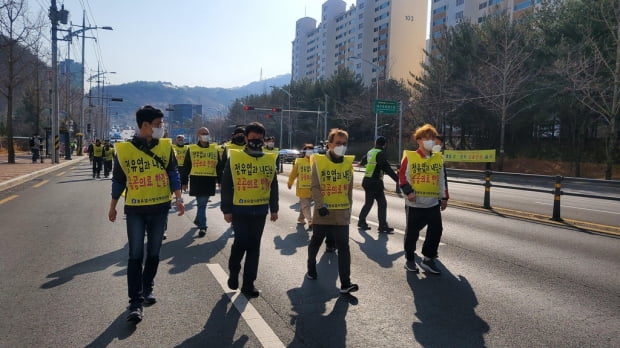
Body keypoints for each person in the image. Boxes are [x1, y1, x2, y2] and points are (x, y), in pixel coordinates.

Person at [108, 105, 185, 323]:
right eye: (158, 125)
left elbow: (173, 173)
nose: (162, 128)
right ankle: (135, 302)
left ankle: (147, 286)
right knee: (135, 255)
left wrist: (178, 198)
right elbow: (118, 180)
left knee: (153, 252)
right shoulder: (123, 150)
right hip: (135, 209)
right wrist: (113, 205)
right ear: (145, 125)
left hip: (160, 207)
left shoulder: (165, 147)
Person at [221, 122, 278, 298]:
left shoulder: (269, 158)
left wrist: (274, 208)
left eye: (259, 139)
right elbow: (226, 184)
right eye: (253, 138)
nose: (256, 142)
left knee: (254, 247)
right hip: (240, 210)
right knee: (240, 242)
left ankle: (248, 284)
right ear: (246, 138)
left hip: (260, 210)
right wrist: (226, 209)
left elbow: (273, 184)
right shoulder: (235, 158)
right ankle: (233, 271)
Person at [306, 128, 359, 294]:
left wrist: (349, 207)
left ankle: (345, 283)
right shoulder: (319, 162)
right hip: (324, 212)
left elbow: (349, 187)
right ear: (329, 144)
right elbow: (314, 186)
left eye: (344, 144)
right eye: (337, 143)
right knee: (316, 241)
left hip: (341, 213)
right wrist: (320, 206)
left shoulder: (347, 163)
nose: (341, 146)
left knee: (344, 247)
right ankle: (311, 267)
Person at [399, 123, 448, 275]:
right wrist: (409, 192)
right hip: (415, 203)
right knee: (412, 232)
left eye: (432, 138)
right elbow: (402, 177)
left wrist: (444, 196)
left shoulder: (437, 158)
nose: (430, 141)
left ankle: (428, 259)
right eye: (426, 138)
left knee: (436, 230)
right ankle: (409, 259)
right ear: (418, 140)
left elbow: (441, 179)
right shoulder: (410, 157)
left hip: (432, 203)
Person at [181, 127, 220, 237]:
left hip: (209, 180)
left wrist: (220, 180)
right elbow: (186, 166)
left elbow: (219, 165)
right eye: (203, 133)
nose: (205, 135)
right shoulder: (192, 149)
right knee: (201, 204)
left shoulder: (214, 149)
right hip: (197, 180)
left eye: (207, 133)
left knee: (202, 204)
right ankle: (203, 226)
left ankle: (198, 220)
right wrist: (184, 182)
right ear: (198, 135)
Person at [357, 136, 399, 233]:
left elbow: (363, 162)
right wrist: (398, 180)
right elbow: (387, 168)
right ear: (385, 145)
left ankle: (361, 221)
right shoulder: (381, 153)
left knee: (369, 203)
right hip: (375, 182)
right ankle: (382, 226)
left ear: (375, 143)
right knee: (382, 203)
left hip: (367, 180)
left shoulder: (370, 152)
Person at [287, 143, 315, 229]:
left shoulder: (315, 162)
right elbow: (293, 173)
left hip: (312, 188)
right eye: (307, 150)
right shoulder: (299, 161)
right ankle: (310, 221)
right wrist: (290, 182)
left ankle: (301, 218)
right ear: (304, 152)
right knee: (306, 205)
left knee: (306, 205)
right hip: (302, 188)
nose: (309, 152)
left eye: (311, 150)